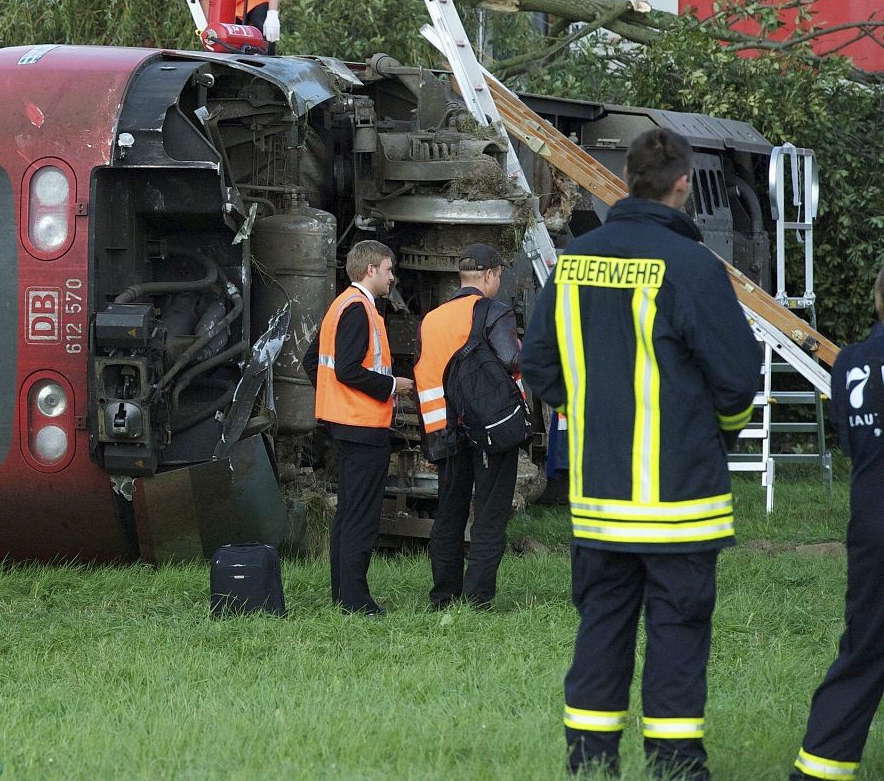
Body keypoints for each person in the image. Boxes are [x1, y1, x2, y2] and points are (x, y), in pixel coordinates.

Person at [522, 128, 759, 781]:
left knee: (600, 631)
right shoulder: (692, 267)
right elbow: (738, 381)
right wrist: (718, 432)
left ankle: (590, 763)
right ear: (683, 183)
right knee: (678, 638)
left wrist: (592, 409)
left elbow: (539, 363)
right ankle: (676, 764)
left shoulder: (574, 262)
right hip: (681, 503)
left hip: (599, 502)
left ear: (628, 177)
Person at [788, 264, 884, 781]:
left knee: (866, 646)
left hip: (873, 522)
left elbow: (850, 441)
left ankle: (820, 766)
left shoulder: (851, 363)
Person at [417, 243, 524, 610]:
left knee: (449, 513)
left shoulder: (431, 319)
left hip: (444, 429)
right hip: (488, 428)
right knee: (490, 514)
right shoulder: (494, 311)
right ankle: (478, 599)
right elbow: (512, 358)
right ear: (490, 275)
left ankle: (444, 596)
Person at [315, 240, 414, 616]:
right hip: (363, 425)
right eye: (388, 270)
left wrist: (334, 400)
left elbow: (316, 361)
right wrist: (393, 386)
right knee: (361, 516)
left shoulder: (341, 305)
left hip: (346, 423)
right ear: (370, 270)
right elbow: (348, 370)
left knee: (348, 513)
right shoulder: (359, 310)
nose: (392, 277)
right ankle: (355, 601)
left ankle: (344, 594)